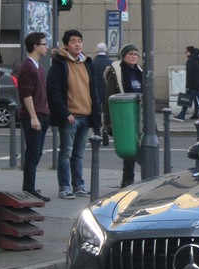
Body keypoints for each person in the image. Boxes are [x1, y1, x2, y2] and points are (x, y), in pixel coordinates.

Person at [46, 29, 101, 199]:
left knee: (79, 154)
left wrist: (95, 116)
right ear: (66, 45)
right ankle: (64, 187)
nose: (77, 44)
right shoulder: (59, 64)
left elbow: (93, 90)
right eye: (73, 41)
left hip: (86, 115)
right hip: (70, 117)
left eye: (79, 41)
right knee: (66, 152)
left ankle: (79, 185)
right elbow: (53, 91)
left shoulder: (87, 63)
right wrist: (65, 113)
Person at [102, 44, 143, 188]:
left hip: (139, 115)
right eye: (130, 54)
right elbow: (109, 97)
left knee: (139, 147)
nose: (133, 56)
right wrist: (108, 122)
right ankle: (133, 178)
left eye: (136, 54)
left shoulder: (139, 71)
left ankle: (128, 180)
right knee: (131, 148)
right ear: (123, 56)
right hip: (124, 115)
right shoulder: (116, 73)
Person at [18, 32, 51, 202]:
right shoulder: (27, 67)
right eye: (44, 44)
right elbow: (26, 94)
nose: (47, 47)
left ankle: (30, 187)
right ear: (35, 46)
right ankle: (28, 188)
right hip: (34, 115)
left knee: (37, 153)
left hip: (42, 113)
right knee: (33, 153)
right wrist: (33, 117)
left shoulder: (38, 66)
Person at [173, 46, 199, 122]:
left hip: (193, 84)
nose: (185, 53)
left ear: (190, 52)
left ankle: (181, 115)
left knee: (187, 100)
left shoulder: (190, 61)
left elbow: (190, 75)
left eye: (186, 52)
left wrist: (187, 86)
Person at [91, 42, 113, 112]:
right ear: (106, 50)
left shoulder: (92, 63)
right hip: (108, 88)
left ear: (96, 50)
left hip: (96, 89)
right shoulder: (111, 62)